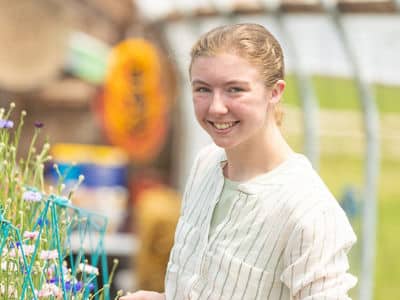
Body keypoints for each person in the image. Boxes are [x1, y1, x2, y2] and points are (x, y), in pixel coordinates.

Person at [121, 23, 357, 300]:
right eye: (203, 89)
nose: (216, 107)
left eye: (235, 89)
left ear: (275, 92)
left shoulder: (309, 211)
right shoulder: (206, 164)